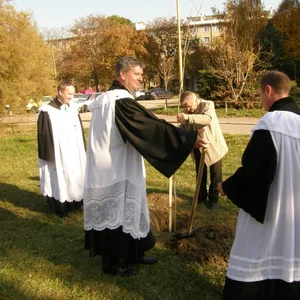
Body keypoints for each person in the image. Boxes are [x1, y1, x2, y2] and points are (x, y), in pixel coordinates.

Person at [83, 56, 209, 276]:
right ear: (123, 74)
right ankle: (113, 263)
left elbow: (147, 123)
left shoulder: (106, 100)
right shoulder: (119, 101)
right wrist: (186, 139)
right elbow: (150, 127)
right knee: (117, 212)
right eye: (137, 75)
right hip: (115, 166)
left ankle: (134, 252)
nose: (141, 79)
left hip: (112, 162)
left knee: (128, 208)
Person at [218, 71, 300, 300]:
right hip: (296, 211)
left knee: (255, 253)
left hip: (270, 208)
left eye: (260, 93)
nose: (261, 99)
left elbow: (254, 172)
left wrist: (228, 186)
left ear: (269, 90)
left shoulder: (269, 123)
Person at [38, 81, 86, 218]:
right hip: (58, 152)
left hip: (74, 150)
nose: (71, 97)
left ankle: (77, 202)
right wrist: (49, 155)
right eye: (69, 94)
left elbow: (79, 130)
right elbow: (44, 135)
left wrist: (82, 148)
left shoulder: (73, 109)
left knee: (76, 174)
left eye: (73, 94)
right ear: (60, 92)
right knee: (59, 176)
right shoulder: (48, 111)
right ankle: (60, 206)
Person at [177, 91, 228, 209]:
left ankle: (213, 199)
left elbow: (207, 118)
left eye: (189, 106)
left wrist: (188, 117)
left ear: (195, 100)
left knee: (215, 174)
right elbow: (182, 129)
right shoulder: (186, 112)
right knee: (200, 173)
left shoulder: (208, 105)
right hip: (197, 147)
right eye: (185, 107)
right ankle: (201, 197)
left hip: (213, 146)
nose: (187, 109)